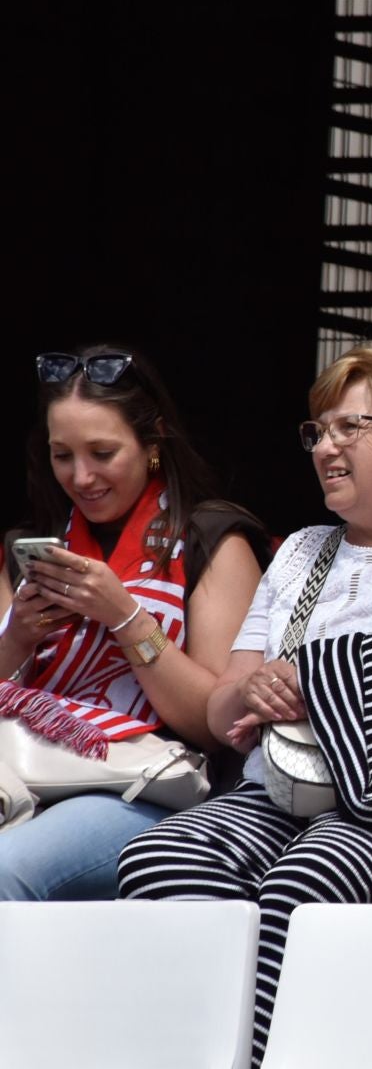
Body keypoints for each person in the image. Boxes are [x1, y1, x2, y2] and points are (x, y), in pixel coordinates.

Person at [119, 333, 372, 1065]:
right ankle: (206, 1051)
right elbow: (220, 711)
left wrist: (321, 676)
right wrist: (257, 685)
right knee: (159, 858)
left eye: (350, 428)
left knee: (311, 875)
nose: (324, 447)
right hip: (285, 788)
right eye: (318, 430)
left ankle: (266, 1054)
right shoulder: (306, 549)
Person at [0, 346, 268, 900]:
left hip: (146, 785)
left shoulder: (213, 540)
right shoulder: (28, 548)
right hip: (21, 763)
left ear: (152, 444)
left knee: (8, 870)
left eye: (102, 452)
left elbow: (212, 723)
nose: (81, 476)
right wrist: (19, 636)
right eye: (62, 455)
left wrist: (124, 616)